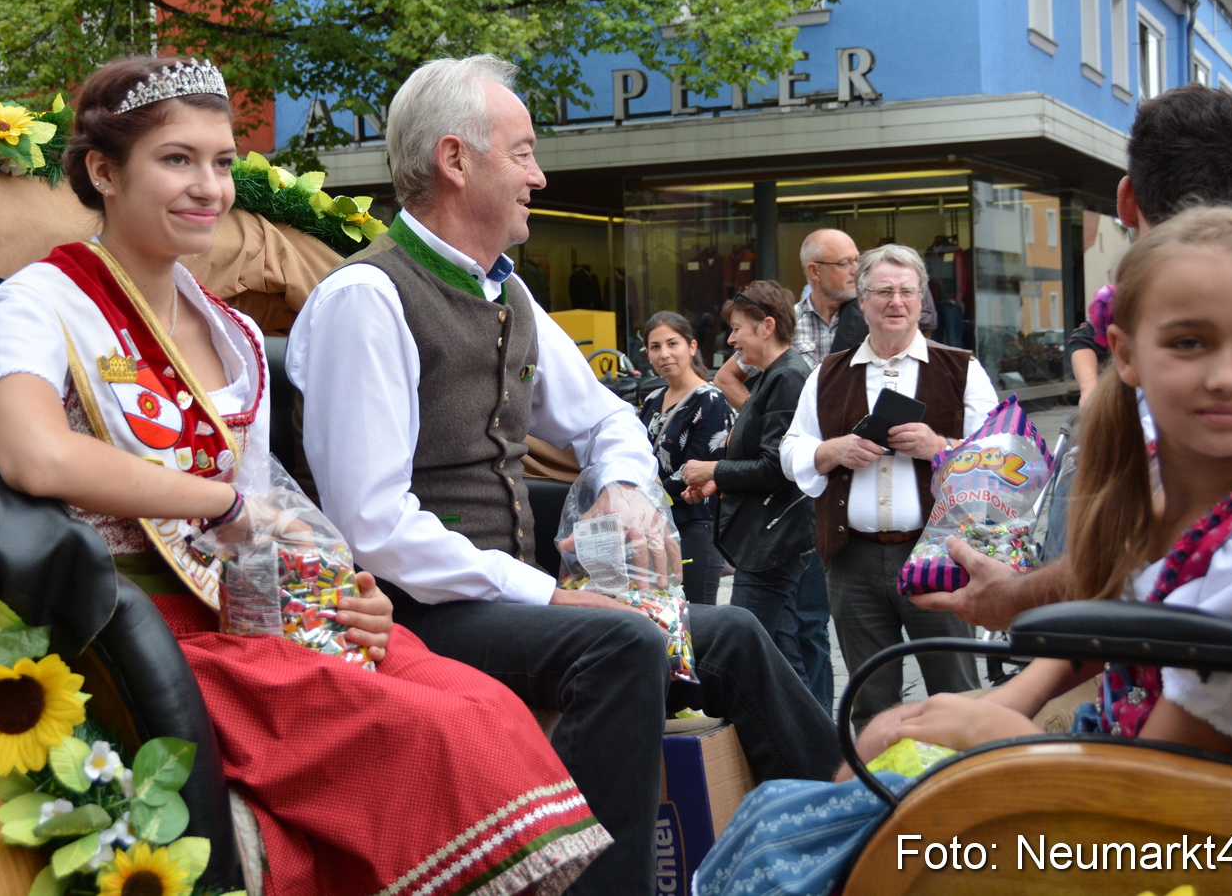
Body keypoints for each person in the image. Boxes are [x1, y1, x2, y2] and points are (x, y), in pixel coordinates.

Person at [0, 55, 609, 895]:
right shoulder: (36, 304)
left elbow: (276, 507)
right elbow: (35, 454)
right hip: (137, 630)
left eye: (224, 163)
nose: (209, 187)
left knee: (482, 708)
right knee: (434, 732)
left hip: (258, 614)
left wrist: (348, 585)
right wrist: (222, 500)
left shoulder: (229, 331)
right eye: (176, 160)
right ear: (103, 171)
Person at [286, 54, 841, 896]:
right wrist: (547, 592)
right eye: (523, 152)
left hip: (498, 600)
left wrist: (622, 486)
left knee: (729, 634)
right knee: (622, 641)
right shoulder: (365, 297)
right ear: (455, 160)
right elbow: (372, 525)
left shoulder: (507, 294)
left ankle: (848, 826)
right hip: (409, 615)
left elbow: (609, 417)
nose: (539, 176)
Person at [697, 209, 1232, 896]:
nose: (1227, 375)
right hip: (1104, 749)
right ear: (1126, 353)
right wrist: (1010, 692)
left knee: (813, 832)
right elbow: (1123, 602)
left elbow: (1163, 788)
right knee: (822, 791)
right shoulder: (1184, 478)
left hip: (1190, 834)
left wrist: (988, 728)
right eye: (1189, 342)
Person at [917, 84, 1232, 632]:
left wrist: (1022, 602)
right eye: (1185, 342)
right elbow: (1148, 539)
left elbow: (1177, 553)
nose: (1227, 377)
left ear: (1126, 200)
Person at [779, 244, 999, 725]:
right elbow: (791, 448)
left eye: (907, 292)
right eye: (883, 292)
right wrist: (832, 451)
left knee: (957, 693)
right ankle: (880, 792)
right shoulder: (827, 373)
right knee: (870, 700)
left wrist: (938, 446)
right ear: (863, 301)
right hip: (851, 559)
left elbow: (1002, 462)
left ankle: (963, 791)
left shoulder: (962, 369)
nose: (896, 302)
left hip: (940, 555)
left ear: (922, 300)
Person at [680, 282, 833, 710]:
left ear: (766, 327)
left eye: (737, 329)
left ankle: (805, 752)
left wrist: (714, 469)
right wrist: (720, 480)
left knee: (753, 651)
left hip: (773, 541)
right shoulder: (776, 376)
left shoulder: (787, 377)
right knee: (782, 653)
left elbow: (778, 467)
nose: (730, 339)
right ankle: (815, 753)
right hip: (771, 538)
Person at [638, 311, 732, 607]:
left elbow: (694, 473)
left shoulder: (710, 400)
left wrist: (641, 494)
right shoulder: (652, 400)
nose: (664, 354)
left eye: (672, 344)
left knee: (697, 623)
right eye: (655, 347)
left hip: (694, 527)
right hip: (651, 529)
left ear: (692, 347)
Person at [713, 228, 864, 412]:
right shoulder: (786, 322)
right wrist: (759, 417)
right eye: (844, 263)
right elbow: (725, 378)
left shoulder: (871, 317)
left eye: (857, 260)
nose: (855, 270)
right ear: (814, 271)